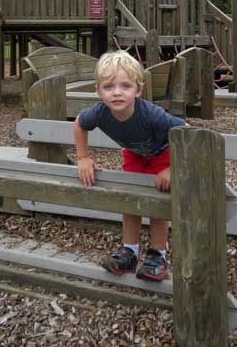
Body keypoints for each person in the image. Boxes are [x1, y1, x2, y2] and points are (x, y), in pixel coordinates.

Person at [74, 50, 186, 281]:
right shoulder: (99, 113)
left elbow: (186, 131)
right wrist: (83, 158)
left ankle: (158, 255)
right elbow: (79, 124)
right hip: (135, 155)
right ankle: (129, 252)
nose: (117, 92)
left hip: (166, 152)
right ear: (98, 91)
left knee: (157, 202)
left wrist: (174, 168)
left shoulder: (152, 115)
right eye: (108, 87)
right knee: (130, 199)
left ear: (138, 90)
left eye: (125, 86)